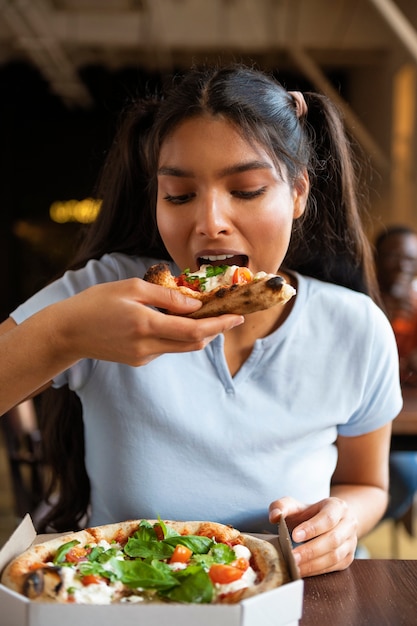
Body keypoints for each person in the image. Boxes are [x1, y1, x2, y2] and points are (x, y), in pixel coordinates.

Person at [0, 64, 402, 578]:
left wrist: (342, 521)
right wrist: (66, 334)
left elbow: (368, 484)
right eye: (180, 195)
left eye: (247, 189)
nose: (210, 221)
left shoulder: (356, 327)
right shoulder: (103, 295)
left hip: (289, 593)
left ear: (299, 193)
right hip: (123, 595)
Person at [374, 225, 417, 525]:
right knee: (406, 471)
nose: (402, 266)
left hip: (405, 420)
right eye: (393, 257)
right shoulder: (359, 306)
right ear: (374, 260)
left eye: (411, 260)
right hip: (369, 424)